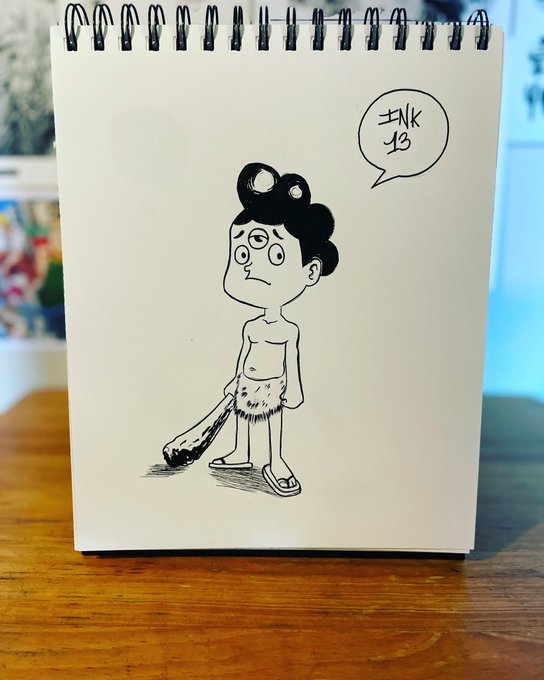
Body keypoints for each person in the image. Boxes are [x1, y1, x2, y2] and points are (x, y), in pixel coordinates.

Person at [209, 162, 339, 497]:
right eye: (241, 253)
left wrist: (294, 389)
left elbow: (291, 360)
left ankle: (275, 461)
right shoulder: (251, 326)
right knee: (242, 417)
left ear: (310, 272)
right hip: (247, 382)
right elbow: (244, 355)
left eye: (276, 255)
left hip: (272, 386)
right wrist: (235, 379)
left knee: (271, 421)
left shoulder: (287, 330)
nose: (250, 265)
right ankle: (241, 452)